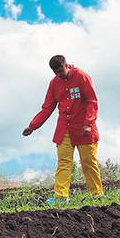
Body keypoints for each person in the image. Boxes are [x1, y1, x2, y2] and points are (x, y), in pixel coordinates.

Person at [23, 55, 103, 205]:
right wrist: (33, 126)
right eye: (56, 72)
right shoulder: (54, 83)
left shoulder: (81, 76)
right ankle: (61, 196)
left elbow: (92, 101)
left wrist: (88, 123)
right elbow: (47, 107)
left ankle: (97, 194)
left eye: (61, 71)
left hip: (84, 127)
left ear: (66, 65)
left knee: (88, 161)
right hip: (64, 128)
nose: (59, 74)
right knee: (64, 162)